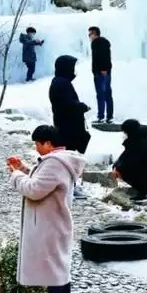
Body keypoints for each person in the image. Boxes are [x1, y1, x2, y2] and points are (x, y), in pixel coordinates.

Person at [6, 124, 85, 293]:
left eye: (38, 144)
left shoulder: (55, 164)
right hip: (54, 223)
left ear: (48, 144)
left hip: (50, 225)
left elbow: (34, 189)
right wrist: (23, 168)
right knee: (59, 271)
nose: (36, 148)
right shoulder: (58, 161)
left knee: (55, 273)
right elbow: (42, 179)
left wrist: (15, 176)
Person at [49, 55, 90, 200]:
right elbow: (67, 105)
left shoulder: (61, 82)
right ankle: (70, 188)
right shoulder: (61, 84)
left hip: (67, 126)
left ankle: (71, 186)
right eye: (71, 67)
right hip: (67, 127)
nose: (74, 71)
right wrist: (82, 106)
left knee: (69, 157)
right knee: (69, 159)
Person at [111, 119, 147, 199]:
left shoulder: (140, 143)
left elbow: (131, 162)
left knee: (124, 171)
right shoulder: (135, 140)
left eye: (125, 132)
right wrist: (116, 166)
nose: (123, 134)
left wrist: (118, 169)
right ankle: (144, 189)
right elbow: (123, 157)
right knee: (121, 170)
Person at [88, 27, 113, 123]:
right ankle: (109, 116)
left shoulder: (97, 42)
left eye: (90, 34)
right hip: (104, 72)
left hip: (101, 73)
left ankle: (101, 116)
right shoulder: (104, 42)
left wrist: (103, 69)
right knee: (107, 94)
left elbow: (102, 56)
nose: (89, 37)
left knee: (101, 95)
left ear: (95, 34)